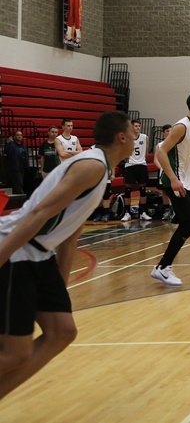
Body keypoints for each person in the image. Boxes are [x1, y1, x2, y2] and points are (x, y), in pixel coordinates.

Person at [0, 110, 133, 401]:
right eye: (132, 133)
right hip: (17, 248)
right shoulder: (92, 165)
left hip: (41, 254)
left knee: (62, 331)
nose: (137, 137)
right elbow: (40, 212)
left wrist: (58, 289)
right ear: (121, 137)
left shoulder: (102, 169)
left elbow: (71, 235)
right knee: (16, 352)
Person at [150, 90, 190, 287]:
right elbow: (161, 152)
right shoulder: (181, 127)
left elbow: (188, 155)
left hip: (185, 181)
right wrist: (173, 178)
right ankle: (163, 267)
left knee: (189, 222)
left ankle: (163, 266)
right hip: (174, 181)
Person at [120, 119, 151, 222]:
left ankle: (143, 212)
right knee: (128, 189)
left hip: (141, 165)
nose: (138, 128)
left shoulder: (144, 137)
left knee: (143, 189)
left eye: (139, 126)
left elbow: (146, 152)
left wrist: (142, 160)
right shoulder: (127, 138)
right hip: (130, 165)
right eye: (136, 126)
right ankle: (127, 212)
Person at [3, 131, 30, 196]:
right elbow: (6, 153)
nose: (19, 136)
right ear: (14, 136)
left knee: (20, 183)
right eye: (18, 135)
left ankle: (18, 195)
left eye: (21, 135)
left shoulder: (24, 146)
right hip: (14, 167)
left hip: (22, 167)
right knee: (18, 183)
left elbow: (26, 156)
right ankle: (21, 196)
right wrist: (7, 143)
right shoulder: (11, 145)